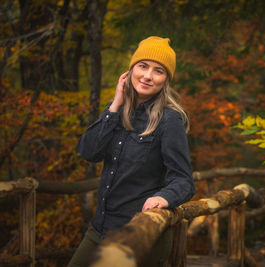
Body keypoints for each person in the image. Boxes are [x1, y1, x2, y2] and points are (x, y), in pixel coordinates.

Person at [68, 36, 195, 267]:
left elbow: (184, 180)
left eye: (158, 71)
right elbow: (88, 152)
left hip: (139, 235)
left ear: (166, 80)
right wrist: (115, 105)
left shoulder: (169, 120)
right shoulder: (116, 111)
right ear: (130, 70)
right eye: (142, 66)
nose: (147, 76)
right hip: (99, 228)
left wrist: (163, 197)